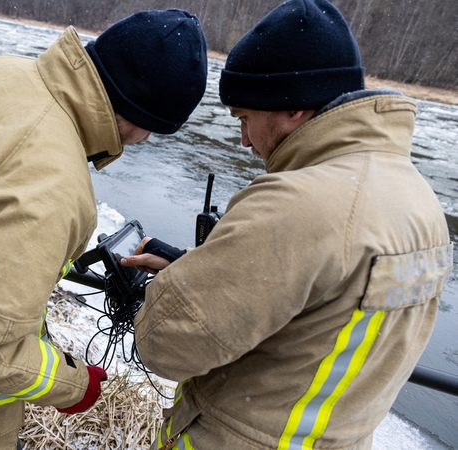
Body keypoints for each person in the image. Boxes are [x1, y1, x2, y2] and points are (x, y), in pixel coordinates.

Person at [121, 1, 453, 449]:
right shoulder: (420, 203)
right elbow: (326, 313)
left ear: (292, 108)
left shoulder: (295, 202)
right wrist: (206, 267)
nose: (244, 140)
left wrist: (177, 289)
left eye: (245, 119)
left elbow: (165, 344)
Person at [0, 9, 208, 449]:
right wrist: (75, 384)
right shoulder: (51, 185)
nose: (144, 141)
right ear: (139, 112)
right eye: (153, 129)